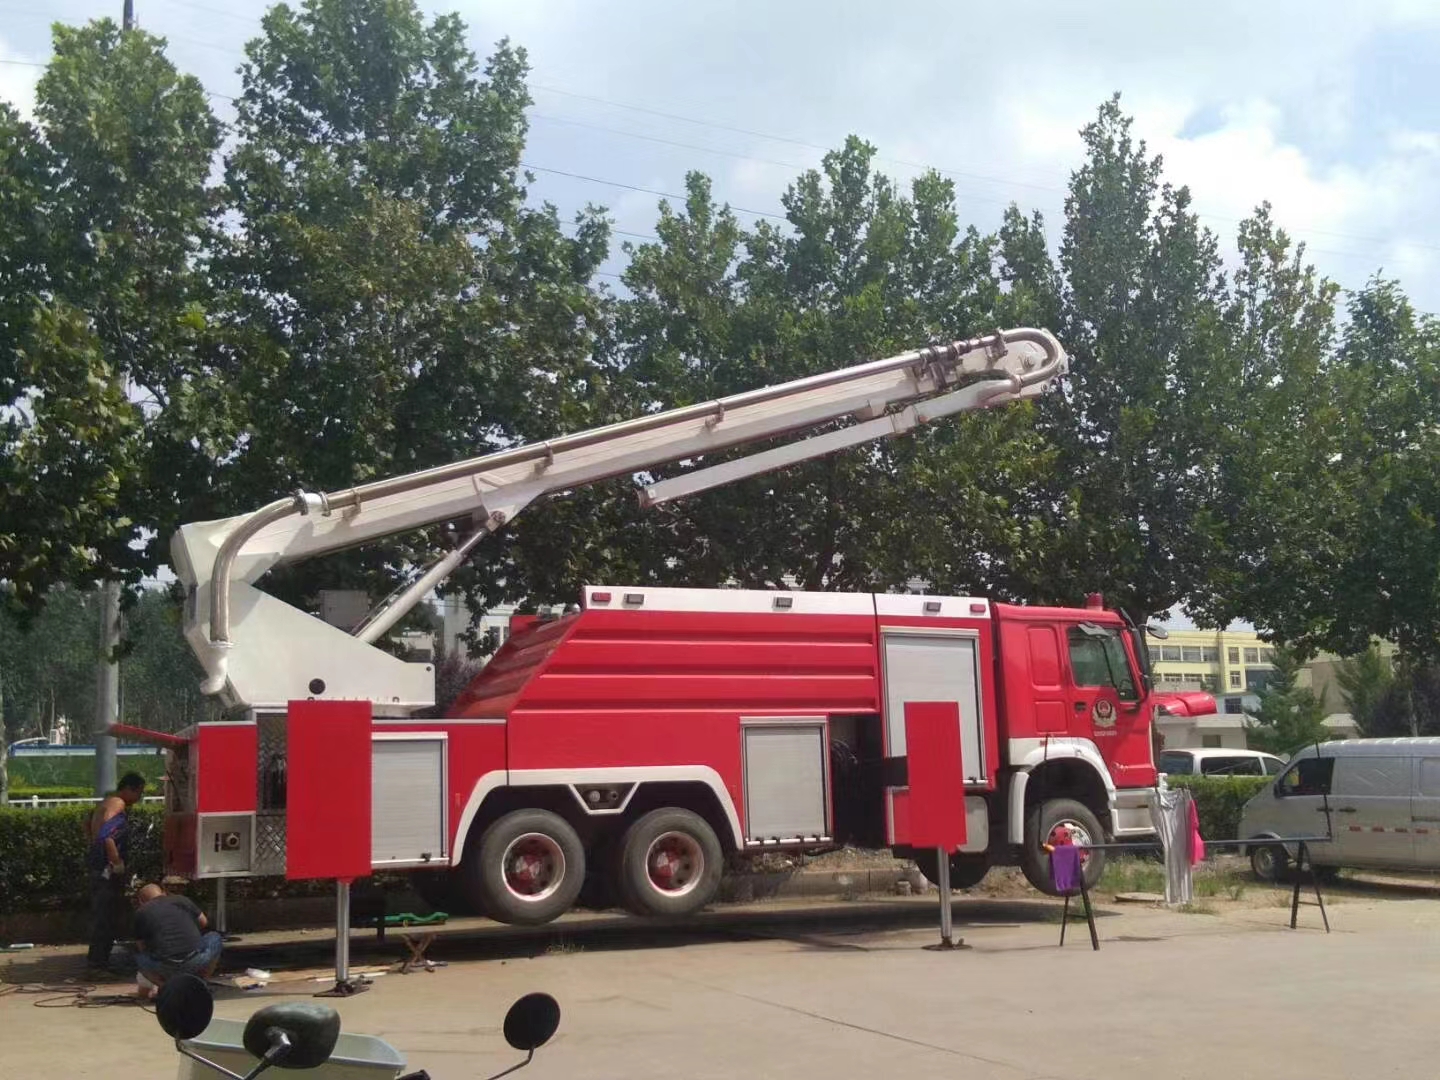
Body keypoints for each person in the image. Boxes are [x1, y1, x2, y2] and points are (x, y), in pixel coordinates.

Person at [85, 771, 146, 972]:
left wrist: (94, 847)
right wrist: (116, 862)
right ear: (129, 789)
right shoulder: (118, 803)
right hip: (107, 870)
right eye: (139, 793)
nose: (138, 799)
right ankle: (97, 966)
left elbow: (88, 825)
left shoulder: (106, 802)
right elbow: (107, 835)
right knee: (106, 918)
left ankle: (98, 962)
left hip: (98, 866)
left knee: (103, 916)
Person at [132, 884, 223, 998]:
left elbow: (141, 947)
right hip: (195, 960)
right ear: (163, 893)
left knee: (140, 957)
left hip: (164, 966)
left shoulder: (141, 912)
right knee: (215, 937)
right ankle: (201, 982)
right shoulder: (181, 900)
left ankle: (165, 986)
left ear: (141, 901)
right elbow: (204, 922)